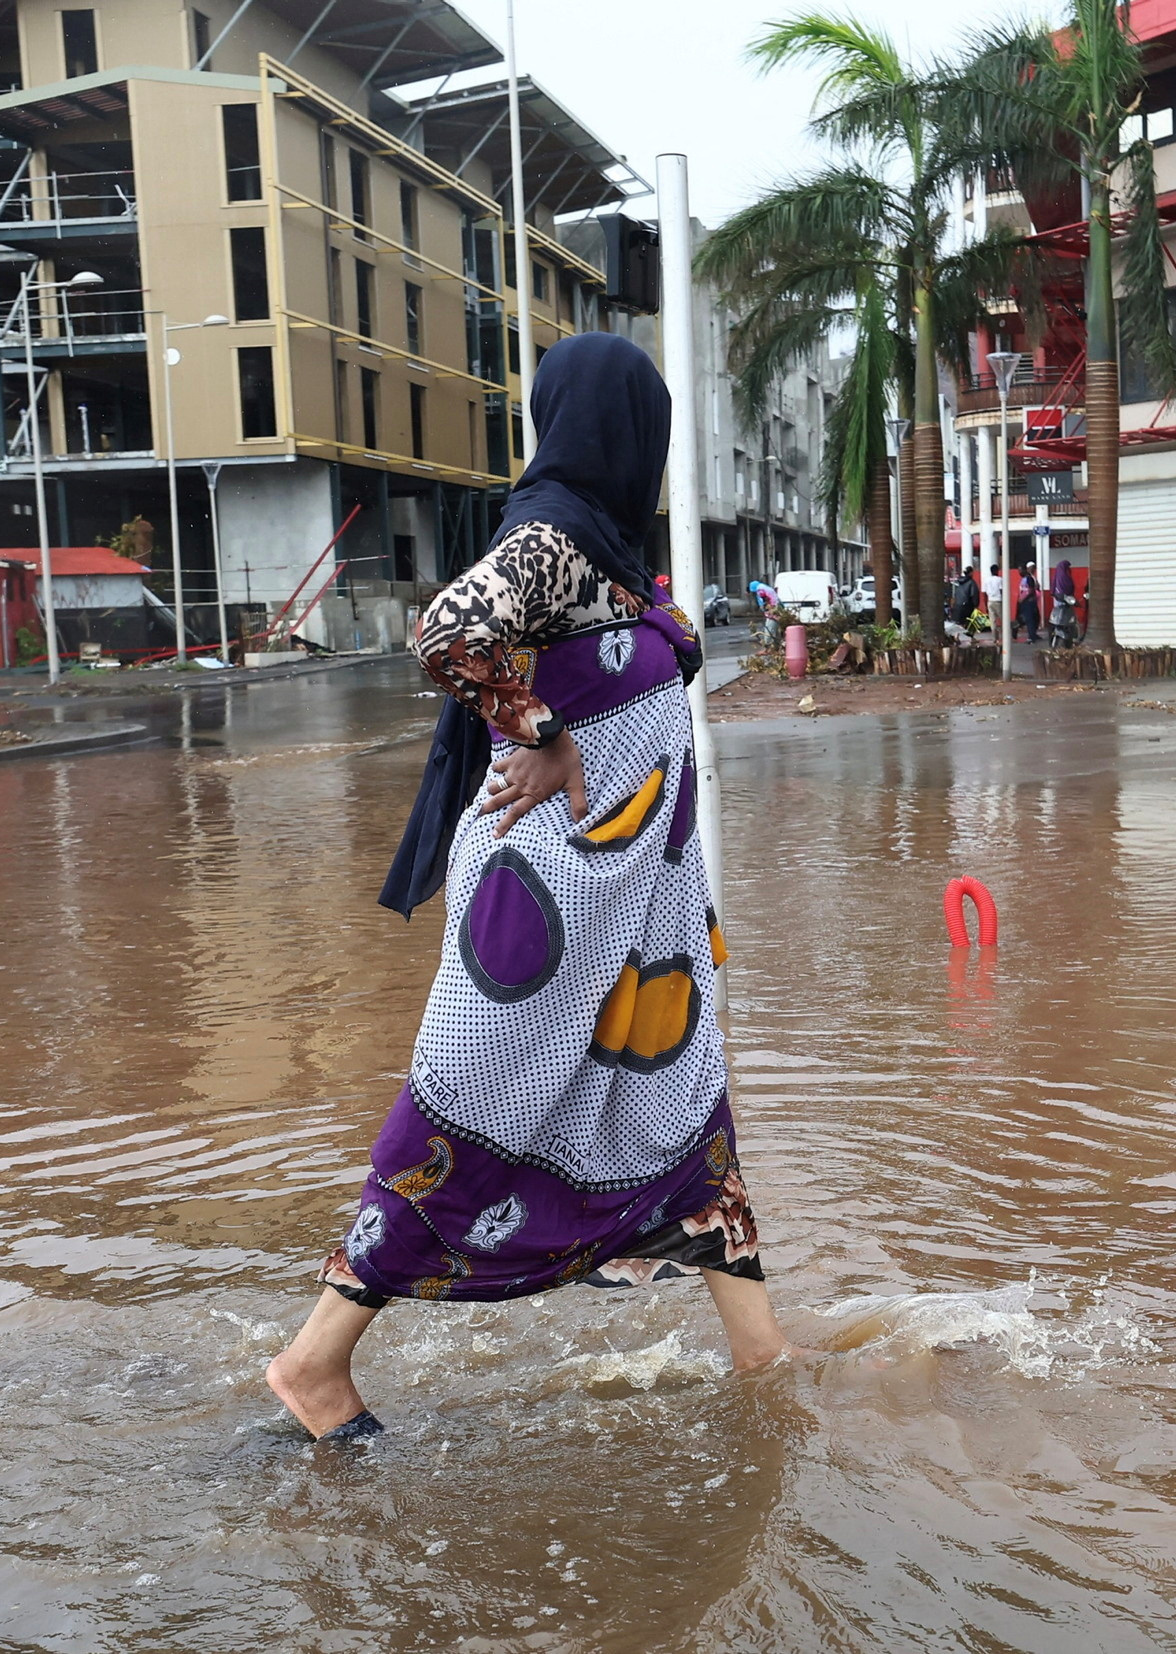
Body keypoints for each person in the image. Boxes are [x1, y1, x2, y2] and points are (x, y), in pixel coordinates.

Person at [268, 334, 795, 1443]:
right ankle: (316, 1361)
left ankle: (766, 1359)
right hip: (547, 906)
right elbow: (450, 632)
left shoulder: (604, 552)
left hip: (636, 907)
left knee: (685, 1116)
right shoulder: (553, 534)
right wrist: (545, 732)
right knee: (467, 1110)